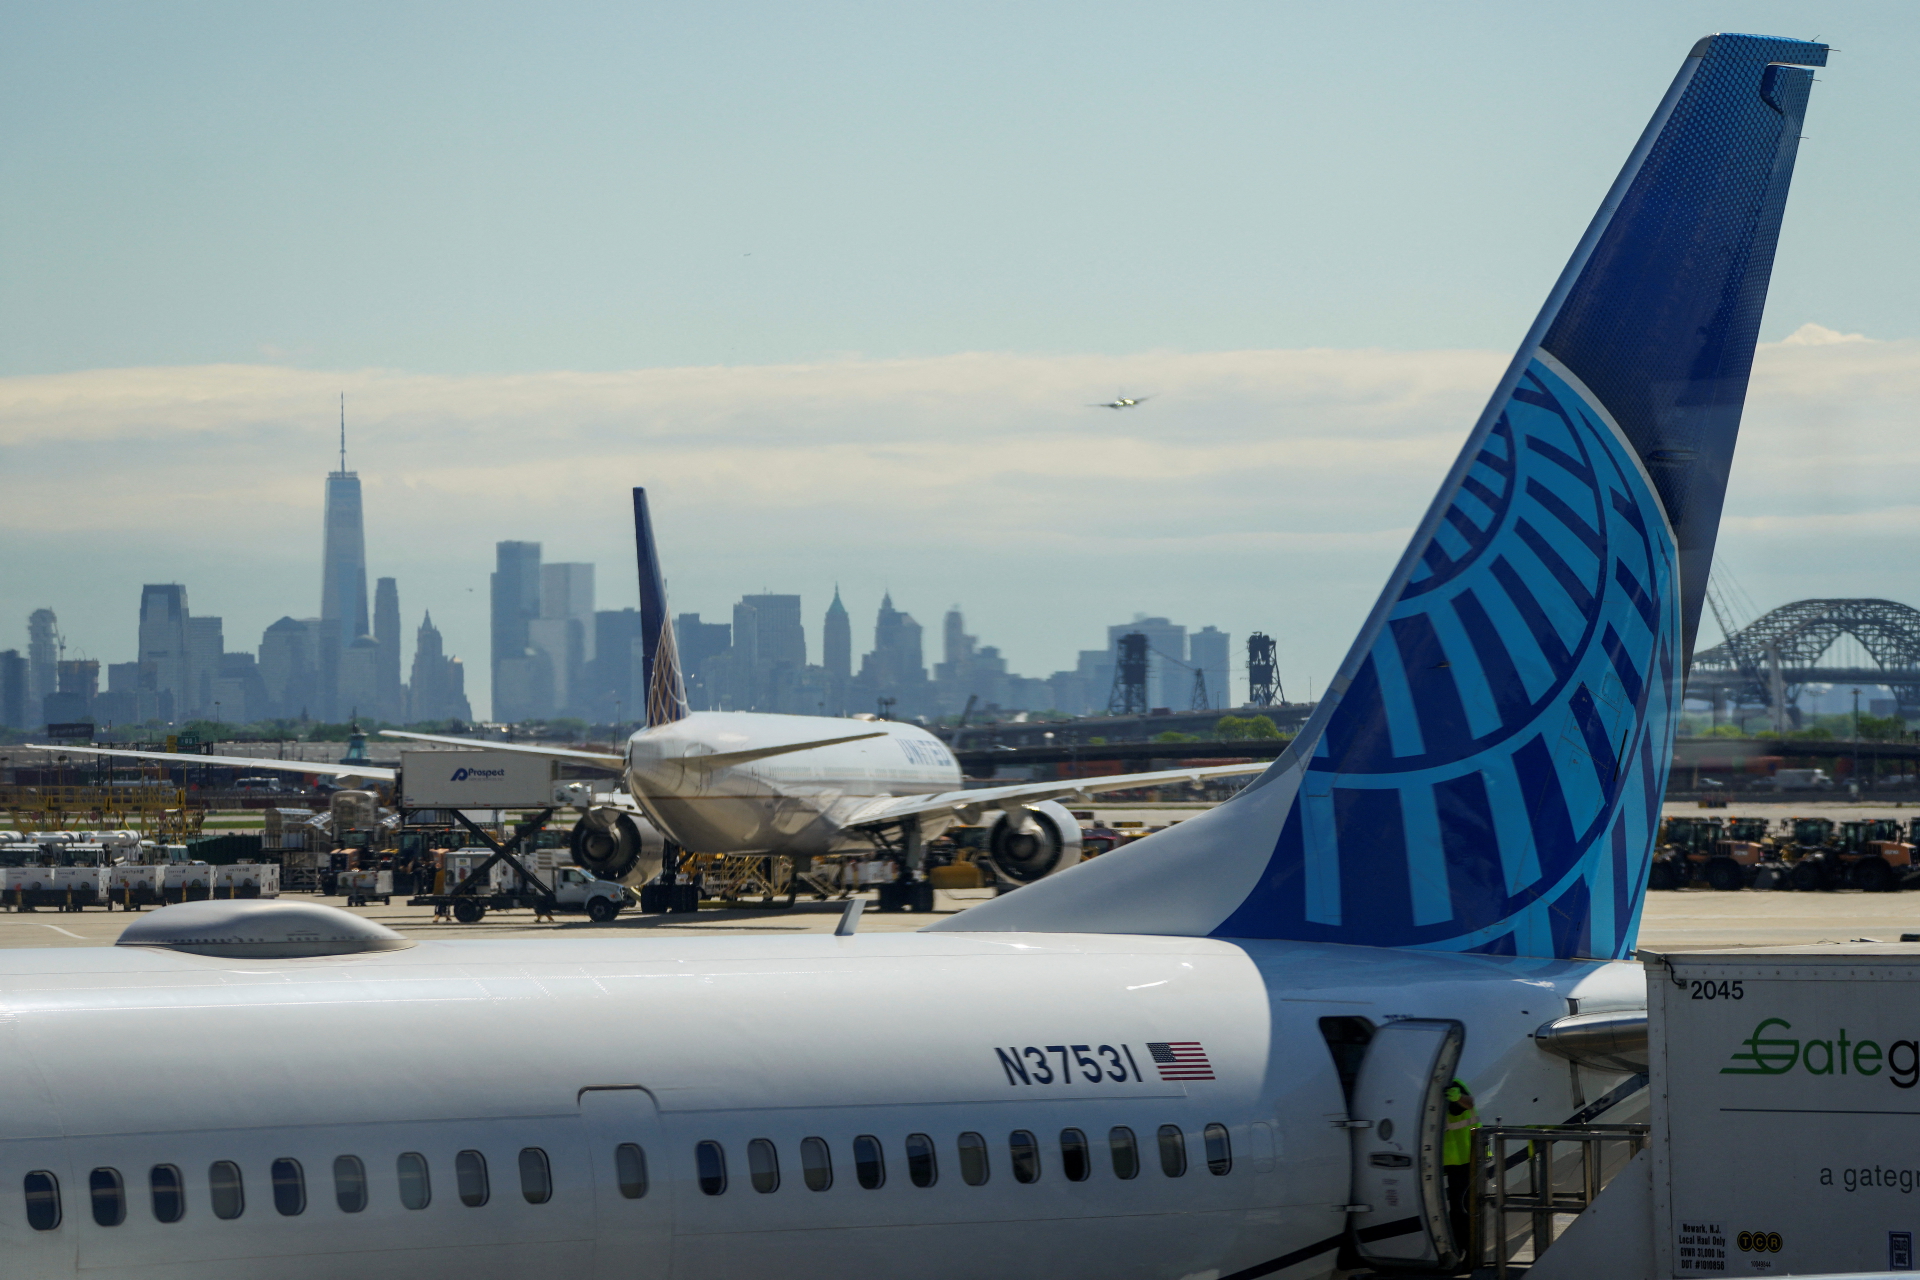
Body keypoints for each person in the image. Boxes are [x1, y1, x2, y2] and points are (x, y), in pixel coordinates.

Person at [1443, 1078, 1478, 1269]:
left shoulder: (1451, 1085)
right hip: (1455, 1161)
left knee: (1463, 1209)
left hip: (1466, 1159)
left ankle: (1469, 1254)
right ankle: (1464, 1252)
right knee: (1460, 1209)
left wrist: (1457, 1098)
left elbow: (1469, 1102)